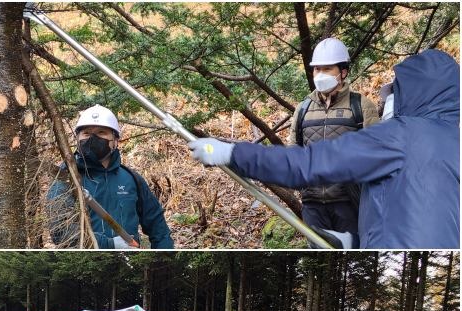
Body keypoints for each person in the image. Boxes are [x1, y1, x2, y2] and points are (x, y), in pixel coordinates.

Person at [189, 49, 460, 249]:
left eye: (393, 93)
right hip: (314, 201)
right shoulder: (452, 140)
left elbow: (310, 163)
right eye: (316, 69)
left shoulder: (400, 134)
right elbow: (415, 210)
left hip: (344, 200)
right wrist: (354, 243)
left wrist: (233, 153)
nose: (387, 100)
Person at [288, 37, 379, 244]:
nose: (320, 75)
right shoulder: (303, 109)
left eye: (327, 69)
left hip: (348, 203)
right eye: (316, 69)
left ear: (343, 72)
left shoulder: (361, 106)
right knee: (317, 251)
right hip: (312, 204)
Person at [47, 104, 174, 249]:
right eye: (86, 133)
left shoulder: (131, 179)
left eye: (101, 132)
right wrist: (109, 244)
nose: (93, 138)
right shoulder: (66, 177)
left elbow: (158, 227)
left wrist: (165, 259)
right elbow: (60, 231)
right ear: (77, 138)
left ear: (115, 140)